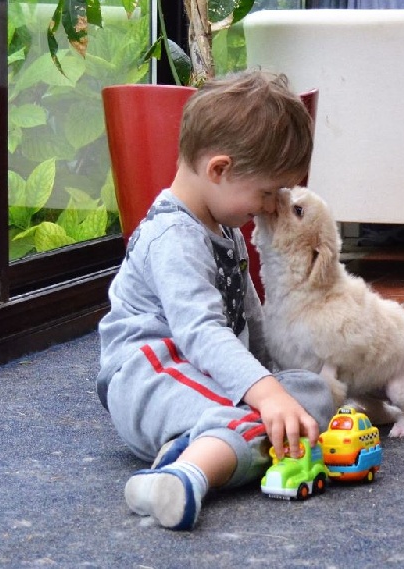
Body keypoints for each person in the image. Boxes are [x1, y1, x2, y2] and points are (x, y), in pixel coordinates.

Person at [97, 70, 335, 531]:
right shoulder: (173, 236)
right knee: (267, 415)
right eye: (266, 192)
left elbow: (250, 319)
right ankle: (185, 476)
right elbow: (201, 332)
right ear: (219, 169)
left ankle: (193, 447)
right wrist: (267, 396)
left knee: (311, 393)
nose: (271, 206)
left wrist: (275, 383)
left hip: (205, 374)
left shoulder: (225, 229)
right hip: (150, 374)